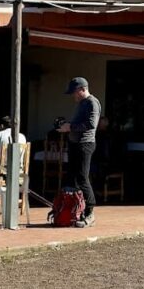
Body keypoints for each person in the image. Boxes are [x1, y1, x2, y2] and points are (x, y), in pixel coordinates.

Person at [57, 77, 101, 227]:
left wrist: (70, 127)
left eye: (74, 92)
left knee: (82, 178)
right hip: (75, 144)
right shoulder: (82, 103)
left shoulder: (91, 102)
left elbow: (90, 124)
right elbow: (79, 123)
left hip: (85, 144)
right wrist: (67, 126)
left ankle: (90, 212)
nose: (72, 96)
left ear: (82, 89)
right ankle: (75, 211)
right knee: (72, 179)